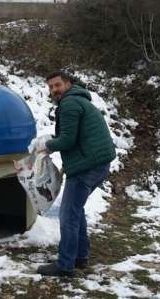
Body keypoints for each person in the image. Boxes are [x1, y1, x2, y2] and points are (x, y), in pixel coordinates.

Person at [36, 71, 116, 277]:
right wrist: (54, 142)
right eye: (51, 87)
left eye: (57, 85)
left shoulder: (69, 105)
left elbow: (67, 141)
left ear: (68, 84)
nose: (54, 90)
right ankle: (80, 256)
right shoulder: (79, 101)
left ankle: (65, 266)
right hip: (99, 164)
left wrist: (46, 145)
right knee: (76, 210)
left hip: (86, 167)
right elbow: (72, 134)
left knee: (68, 215)